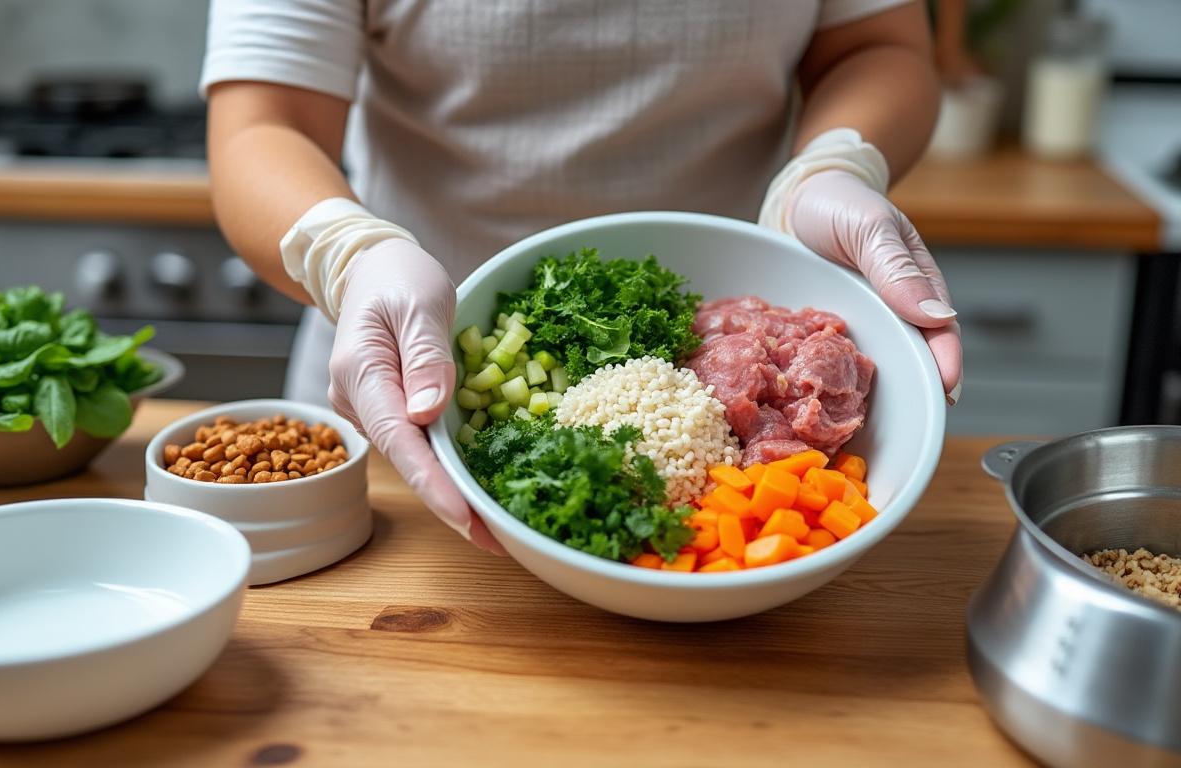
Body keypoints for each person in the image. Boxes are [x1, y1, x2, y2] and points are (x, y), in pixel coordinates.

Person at [201, 0, 963, 554]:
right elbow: (264, 122)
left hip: (718, 321)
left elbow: (879, 47)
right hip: (401, 362)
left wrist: (830, 168)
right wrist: (351, 253)